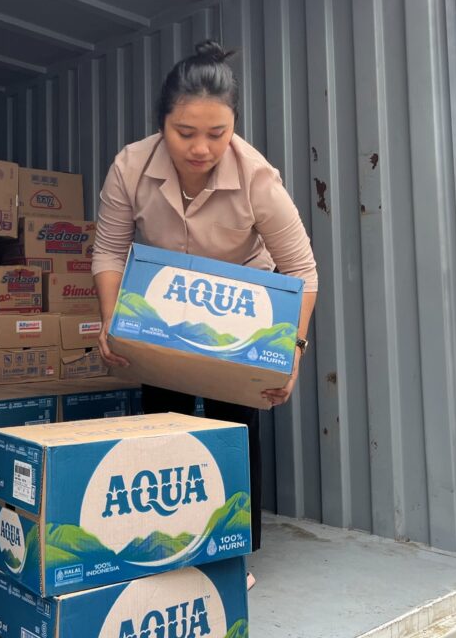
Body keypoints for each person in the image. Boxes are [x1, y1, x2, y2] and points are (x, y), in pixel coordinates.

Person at [91, 40, 318, 591]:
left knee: (231, 427)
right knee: (161, 422)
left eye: (217, 134)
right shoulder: (130, 166)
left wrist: (291, 351)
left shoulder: (258, 179)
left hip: (241, 311)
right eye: (184, 132)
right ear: (161, 123)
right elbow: (110, 251)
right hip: (163, 307)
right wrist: (113, 320)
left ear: (234, 125)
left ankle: (231, 556)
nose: (201, 148)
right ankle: (161, 547)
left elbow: (302, 271)